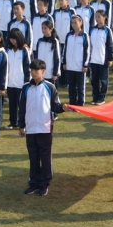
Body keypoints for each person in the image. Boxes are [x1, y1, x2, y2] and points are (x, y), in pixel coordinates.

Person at [18, 59, 69, 196]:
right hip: (31, 128)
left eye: (36, 70)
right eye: (32, 70)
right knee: (33, 156)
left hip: (45, 128)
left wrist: (63, 107)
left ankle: (44, 184)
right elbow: (22, 108)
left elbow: (55, 106)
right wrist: (21, 126)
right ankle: (33, 182)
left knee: (45, 157)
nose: (33, 73)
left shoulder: (49, 87)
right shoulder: (26, 88)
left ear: (43, 71)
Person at [62, 15, 90, 106]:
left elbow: (87, 51)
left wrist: (85, 65)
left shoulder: (84, 36)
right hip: (70, 65)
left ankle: (81, 102)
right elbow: (65, 49)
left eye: (75, 22)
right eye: (72, 23)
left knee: (80, 86)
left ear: (81, 22)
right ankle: (72, 102)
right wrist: (64, 62)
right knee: (71, 86)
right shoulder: (69, 35)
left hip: (80, 66)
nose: (73, 24)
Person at [89, 10, 113, 106]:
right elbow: (89, 45)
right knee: (94, 80)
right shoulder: (92, 29)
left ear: (104, 17)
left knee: (103, 80)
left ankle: (101, 98)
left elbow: (110, 45)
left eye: (99, 17)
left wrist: (110, 58)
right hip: (93, 59)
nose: (97, 18)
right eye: (96, 17)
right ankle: (95, 97)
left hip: (103, 59)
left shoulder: (107, 30)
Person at [5, 29, 31, 130]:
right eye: (11, 39)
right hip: (10, 81)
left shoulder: (24, 50)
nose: (12, 41)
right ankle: (13, 122)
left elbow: (27, 66)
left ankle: (23, 123)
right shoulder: (8, 50)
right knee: (12, 104)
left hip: (21, 82)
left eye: (14, 39)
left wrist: (27, 81)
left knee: (22, 104)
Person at [35, 20, 61, 91]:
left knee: (50, 92)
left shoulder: (55, 41)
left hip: (50, 72)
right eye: (42, 28)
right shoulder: (40, 41)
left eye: (45, 28)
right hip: (40, 72)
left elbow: (57, 58)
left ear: (51, 29)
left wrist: (55, 73)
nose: (43, 30)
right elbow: (37, 56)